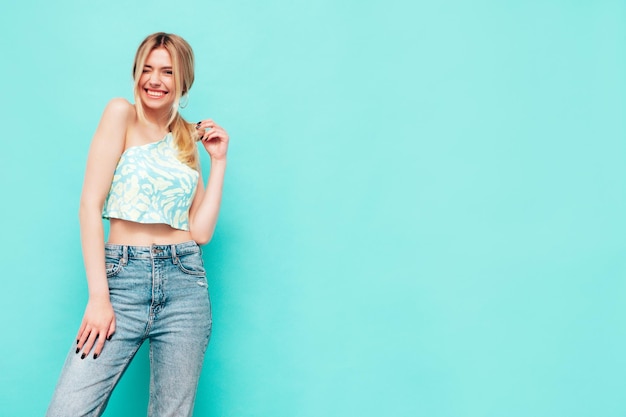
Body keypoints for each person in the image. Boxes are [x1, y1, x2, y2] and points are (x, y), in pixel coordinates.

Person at [46, 32, 229, 417]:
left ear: (183, 80)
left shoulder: (185, 138)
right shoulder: (121, 114)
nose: (155, 80)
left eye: (167, 71)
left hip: (185, 283)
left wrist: (219, 162)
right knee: (68, 409)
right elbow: (88, 206)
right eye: (146, 69)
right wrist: (100, 298)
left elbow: (202, 232)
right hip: (122, 280)